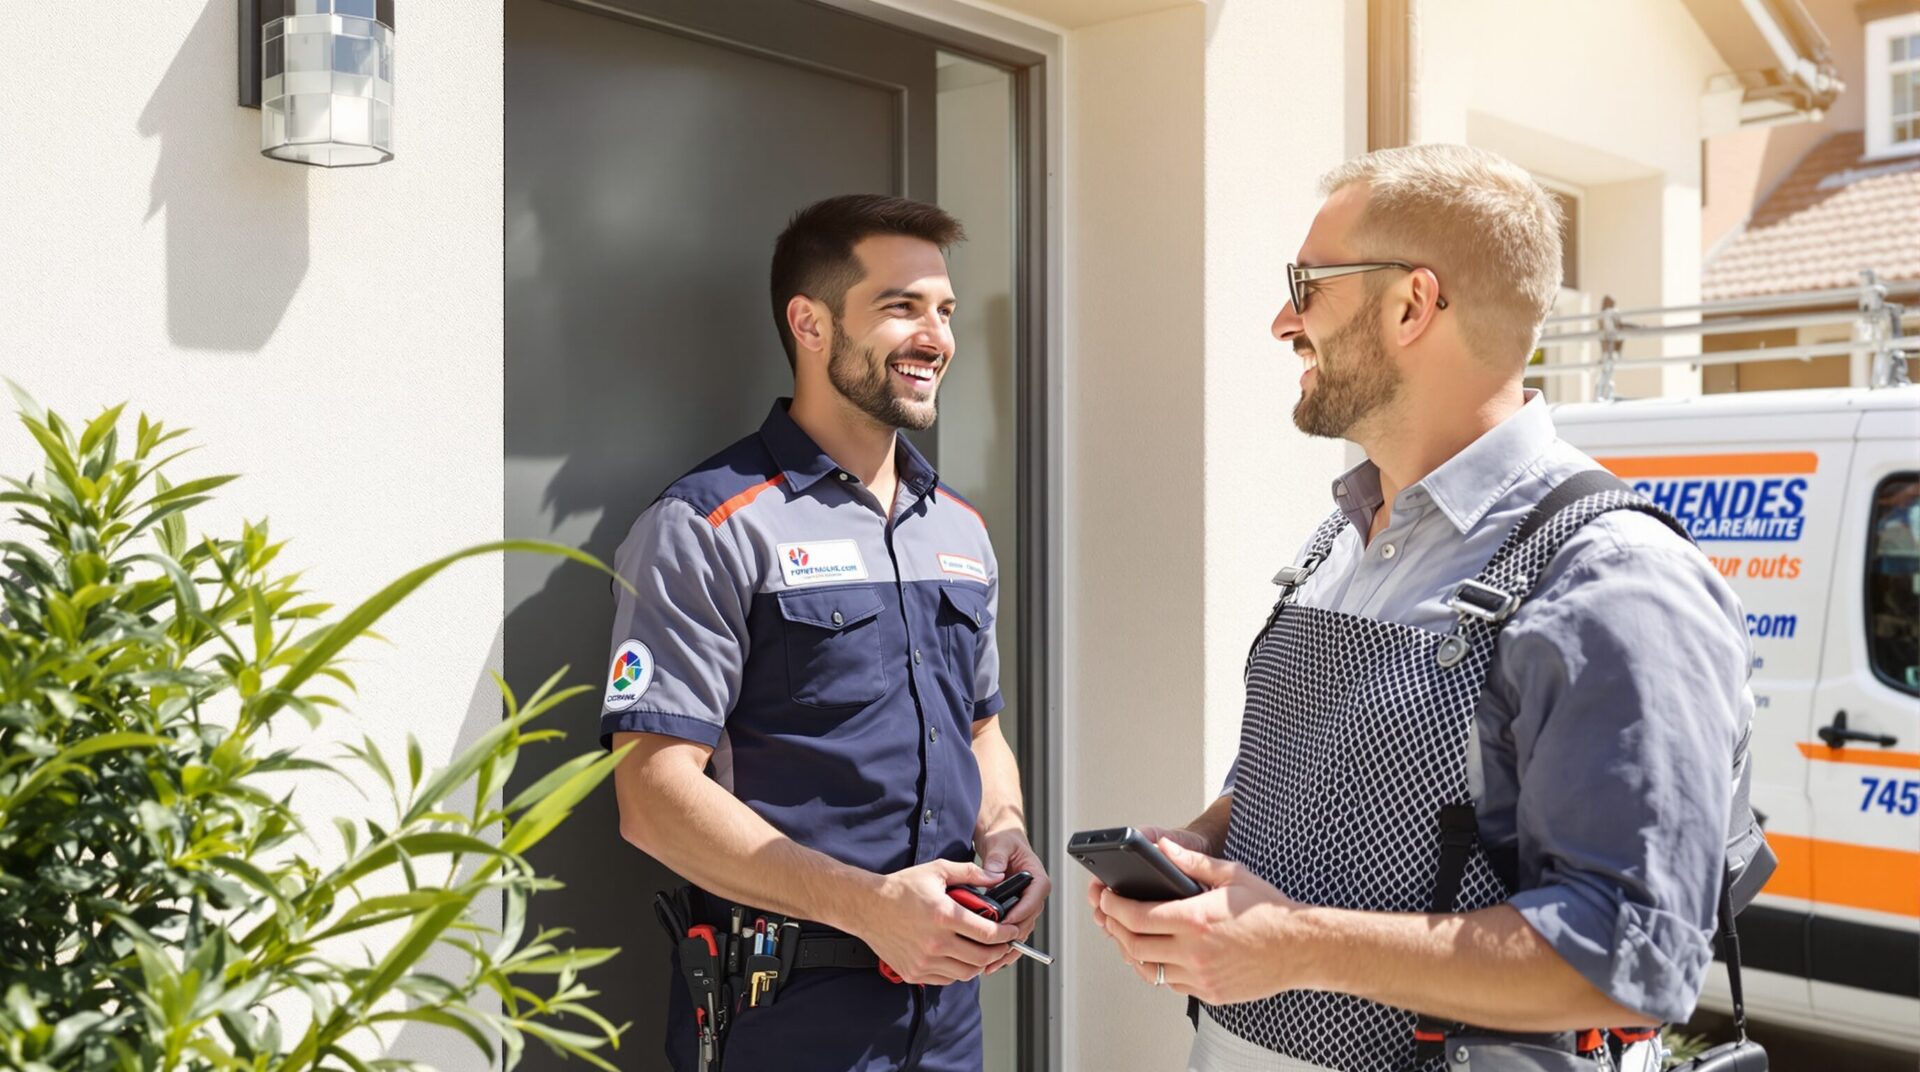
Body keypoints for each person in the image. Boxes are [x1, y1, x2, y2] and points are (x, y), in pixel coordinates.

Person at [1088, 145, 1773, 1072]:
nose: (1284, 319)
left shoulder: (1614, 581)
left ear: (1413, 304)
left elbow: (1626, 956)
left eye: (1309, 284)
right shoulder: (1346, 534)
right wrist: (1202, 845)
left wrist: (1294, 942)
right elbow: (1332, 777)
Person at [605, 194, 1050, 1071]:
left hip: (949, 1014)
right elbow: (650, 798)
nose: (936, 336)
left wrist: (1007, 835)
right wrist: (868, 906)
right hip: (781, 1019)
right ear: (809, 323)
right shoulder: (709, 523)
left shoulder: (959, 528)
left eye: (945, 310)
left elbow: (982, 732)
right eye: (901, 306)